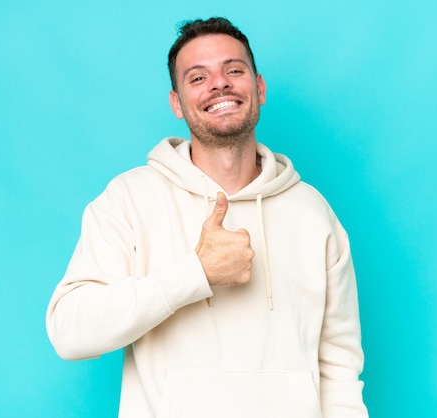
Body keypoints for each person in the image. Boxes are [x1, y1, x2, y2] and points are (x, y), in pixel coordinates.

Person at [46, 17, 368, 418]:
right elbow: (68, 332)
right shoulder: (130, 198)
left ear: (259, 87)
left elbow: (338, 367)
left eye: (234, 70)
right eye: (198, 78)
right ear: (176, 103)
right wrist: (194, 273)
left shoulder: (313, 212)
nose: (220, 84)